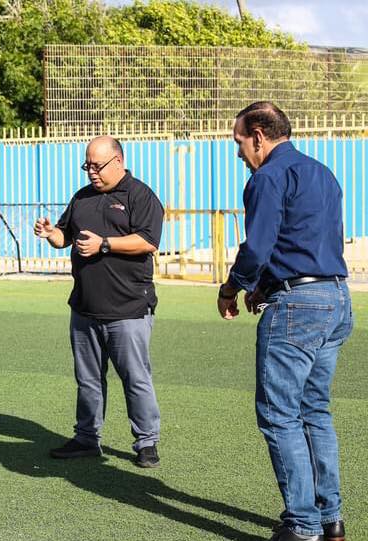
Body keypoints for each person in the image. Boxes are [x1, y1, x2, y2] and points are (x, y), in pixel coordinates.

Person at [217, 102, 351, 541]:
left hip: (299, 306)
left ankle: (303, 525)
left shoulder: (267, 177)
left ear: (258, 135)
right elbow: (303, 241)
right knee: (314, 410)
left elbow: (258, 247)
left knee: (279, 416)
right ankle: (330, 517)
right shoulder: (323, 173)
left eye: (238, 141)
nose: (238, 152)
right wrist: (265, 286)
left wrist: (233, 285)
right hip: (335, 298)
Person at [33, 135, 164, 468]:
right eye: (87, 165)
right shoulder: (82, 197)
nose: (91, 171)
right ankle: (87, 438)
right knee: (88, 379)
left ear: (118, 162)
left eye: (97, 165)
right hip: (85, 307)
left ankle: (146, 442)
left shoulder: (140, 196)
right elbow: (65, 236)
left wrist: (105, 244)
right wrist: (51, 234)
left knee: (135, 378)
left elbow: (148, 241)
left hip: (128, 307)